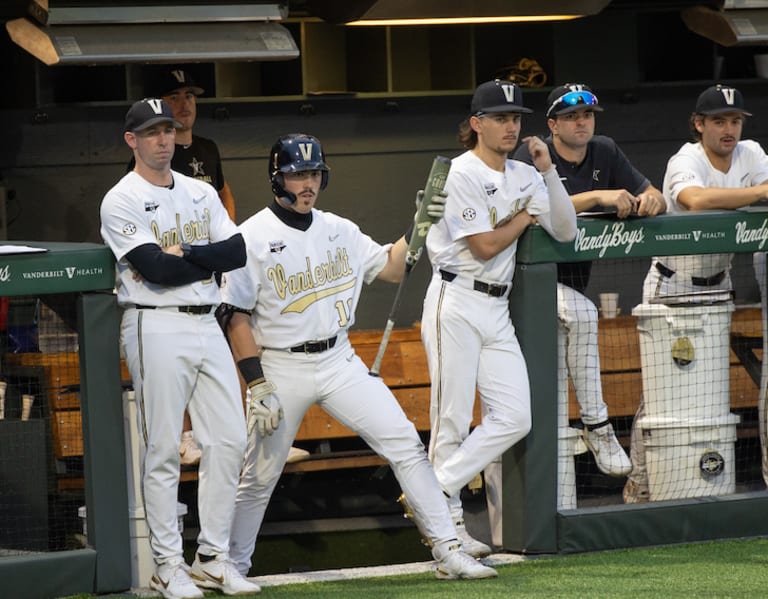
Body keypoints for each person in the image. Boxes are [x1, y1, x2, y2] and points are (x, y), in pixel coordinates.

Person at [218, 133, 498, 581]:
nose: (307, 183)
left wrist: (420, 223)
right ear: (277, 177)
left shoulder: (339, 229)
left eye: (313, 173)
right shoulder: (250, 236)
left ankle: (447, 548)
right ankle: (229, 565)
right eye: (296, 174)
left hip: (338, 360)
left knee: (406, 443)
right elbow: (235, 316)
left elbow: (390, 266)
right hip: (281, 366)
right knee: (260, 475)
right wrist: (256, 382)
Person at [100, 98, 260, 598]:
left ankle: (212, 559)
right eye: (151, 132)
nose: (163, 140)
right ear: (132, 140)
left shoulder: (200, 190)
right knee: (165, 448)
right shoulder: (120, 198)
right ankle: (167, 565)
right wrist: (196, 260)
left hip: (207, 321)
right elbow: (155, 270)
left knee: (230, 440)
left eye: (167, 130)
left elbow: (235, 252)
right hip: (154, 324)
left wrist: (187, 252)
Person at [420, 79, 577, 556]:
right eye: (501, 118)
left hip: (496, 306)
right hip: (456, 299)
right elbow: (484, 244)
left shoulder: (527, 174)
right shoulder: (458, 173)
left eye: (516, 118)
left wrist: (548, 173)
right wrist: (525, 218)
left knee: (515, 417)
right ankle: (446, 532)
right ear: (477, 124)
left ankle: (433, 489)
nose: (511, 126)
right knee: (450, 420)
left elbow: (567, 231)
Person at [623, 84, 768, 502]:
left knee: (707, 395)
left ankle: (697, 485)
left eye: (735, 120)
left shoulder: (751, 153)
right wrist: (757, 193)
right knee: (661, 398)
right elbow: (693, 199)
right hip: (673, 286)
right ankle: (641, 484)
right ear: (699, 124)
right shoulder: (685, 158)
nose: (729, 129)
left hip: (719, 287)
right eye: (719, 121)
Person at [513, 83, 665, 477]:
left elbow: (657, 195)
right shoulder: (533, 155)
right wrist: (599, 195)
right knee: (582, 313)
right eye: (570, 117)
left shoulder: (605, 150)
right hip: (523, 283)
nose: (581, 122)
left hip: (570, 284)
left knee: (557, 389)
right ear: (552, 124)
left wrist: (651, 200)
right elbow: (536, 206)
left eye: (587, 115)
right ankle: (598, 425)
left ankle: (558, 491)